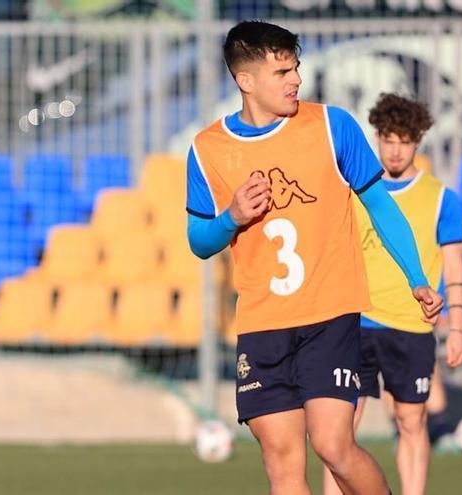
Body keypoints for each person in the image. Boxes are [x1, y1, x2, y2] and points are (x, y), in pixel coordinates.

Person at [186, 21, 443, 495]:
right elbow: (199, 240)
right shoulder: (207, 149)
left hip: (330, 315)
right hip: (263, 325)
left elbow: (380, 205)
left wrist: (417, 277)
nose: (296, 79)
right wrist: (231, 217)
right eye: (282, 70)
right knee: (282, 465)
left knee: (334, 446)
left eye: (296, 67)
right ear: (246, 81)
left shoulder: (332, 126)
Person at [322, 93, 462, 495]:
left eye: (404, 140)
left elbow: (455, 270)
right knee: (339, 431)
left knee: (411, 422)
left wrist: (457, 329)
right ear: (376, 138)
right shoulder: (356, 194)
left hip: (410, 328)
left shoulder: (442, 199)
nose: (395, 149)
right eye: (387, 139)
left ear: (418, 141)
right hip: (353, 323)